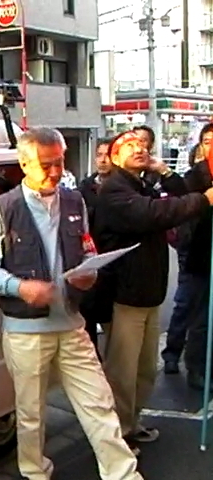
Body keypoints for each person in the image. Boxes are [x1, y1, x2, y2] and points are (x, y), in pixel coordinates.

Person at [0, 127, 142, 480]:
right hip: (26, 329)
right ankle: (35, 472)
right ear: (23, 164)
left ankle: (123, 474)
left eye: (59, 163)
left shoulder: (74, 200)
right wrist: (21, 287)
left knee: (99, 403)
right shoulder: (3, 208)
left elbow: (86, 248)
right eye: (46, 164)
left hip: (72, 321)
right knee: (31, 413)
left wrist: (89, 270)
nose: (55, 172)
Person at [92, 130, 213, 451]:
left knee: (144, 369)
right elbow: (154, 214)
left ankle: (131, 423)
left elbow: (180, 194)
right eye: (129, 145)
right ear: (114, 157)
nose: (139, 148)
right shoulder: (114, 190)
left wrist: (165, 171)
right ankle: (116, 436)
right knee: (122, 372)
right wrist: (204, 199)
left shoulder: (142, 184)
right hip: (124, 295)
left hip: (147, 293)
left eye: (142, 144)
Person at [161, 141, 207, 375]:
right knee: (186, 304)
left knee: (203, 315)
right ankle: (173, 352)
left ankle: (198, 363)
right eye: (207, 143)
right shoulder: (194, 178)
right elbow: (180, 197)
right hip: (193, 252)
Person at [179, 123, 213, 391]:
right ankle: (196, 368)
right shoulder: (194, 177)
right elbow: (187, 215)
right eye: (207, 141)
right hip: (202, 255)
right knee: (200, 317)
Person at [77, 137, 112, 354]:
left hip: (114, 265)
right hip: (90, 263)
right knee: (87, 330)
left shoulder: (124, 188)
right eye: (99, 155)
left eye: (108, 155)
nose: (103, 160)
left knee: (115, 333)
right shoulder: (84, 188)